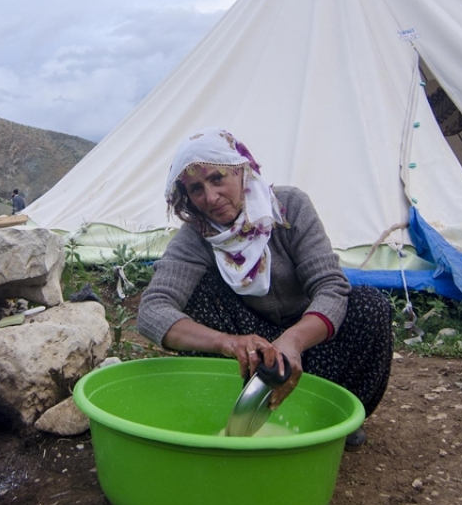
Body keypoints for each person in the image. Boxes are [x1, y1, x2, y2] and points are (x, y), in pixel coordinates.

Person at [136, 128, 393, 445]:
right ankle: (230, 405)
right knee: (196, 296)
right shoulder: (196, 235)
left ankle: (338, 416)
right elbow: (152, 310)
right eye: (196, 189)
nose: (210, 198)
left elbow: (330, 285)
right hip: (249, 344)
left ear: (241, 170)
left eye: (218, 179)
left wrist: (294, 341)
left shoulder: (288, 207)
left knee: (370, 306)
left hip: (309, 336)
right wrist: (228, 343)